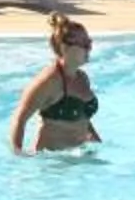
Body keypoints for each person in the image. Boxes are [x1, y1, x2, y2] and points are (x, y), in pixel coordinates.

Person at [9, 15, 102, 154]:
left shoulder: (82, 78)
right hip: (52, 162)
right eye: (84, 44)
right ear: (65, 48)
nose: (90, 48)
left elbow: (82, 116)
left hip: (80, 155)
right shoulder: (48, 81)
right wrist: (18, 155)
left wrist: (97, 141)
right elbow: (19, 119)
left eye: (89, 42)